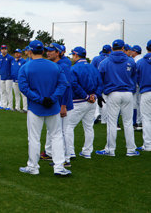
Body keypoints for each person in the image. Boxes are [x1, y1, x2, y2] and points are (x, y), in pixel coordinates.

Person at [18, 40, 71, 176]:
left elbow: (24, 88)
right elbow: (63, 84)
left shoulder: (25, 67)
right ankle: (59, 167)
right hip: (52, 107)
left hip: (35, 107)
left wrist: (40, 99)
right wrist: (52, 98)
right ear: (42, 51)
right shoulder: (55, 66)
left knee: (34, 138)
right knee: (56, 136)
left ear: (30, 51)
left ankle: (33, 167)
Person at [96, 39, 139, 157]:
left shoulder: (105, 62)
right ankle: (131, 149)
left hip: (113, 93)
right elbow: (134, 77)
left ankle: (110, 149)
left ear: (112, 48)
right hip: (128, 93)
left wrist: (99, 94)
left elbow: (100, 79)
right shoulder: (130, 61)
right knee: (128, 122)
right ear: (123, 48)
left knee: (112, 122)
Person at [65, 47, 103, 159]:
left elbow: (74, 85)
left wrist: (86, 96)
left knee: (69, 127)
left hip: (79, 101)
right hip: (92, 101)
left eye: (73, 55)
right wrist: (94, 95)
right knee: (88, 127)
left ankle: (70, 152)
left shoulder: (74, 68)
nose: (72, 57)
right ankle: (87, 152)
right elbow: (100, 84)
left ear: (76, 55)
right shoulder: (93, 68)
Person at [41, 43, 74, 166]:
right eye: (47, 51)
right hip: (57, 103)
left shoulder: (63, 66)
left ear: (59, 53)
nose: (48, 53)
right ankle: (55, 155)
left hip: (63, 104)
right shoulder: (55, 65)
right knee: (56, 131)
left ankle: (66, 159)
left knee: (63, 132)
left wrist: (63, 105)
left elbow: (66, 86)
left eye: (51, 51)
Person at [137, 40, 151, 151]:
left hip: (146, 92)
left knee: (146, 119)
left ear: (147, 48)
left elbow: (136, 78)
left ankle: (148, 145)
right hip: (145, 91)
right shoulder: (140, 62)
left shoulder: (141, 62)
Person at [92, 44, 112, 124]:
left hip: (97, 81)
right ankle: (104, 119)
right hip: (107, 82)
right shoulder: (110, 59)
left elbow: (92, 70)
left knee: (96, 98)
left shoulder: (96, 58)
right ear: (109, 51)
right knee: (105, 101)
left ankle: (97, 114)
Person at [0, 45, 15, 110]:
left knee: (8, 91)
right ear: (0, 50)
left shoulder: (10, 58)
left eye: (5, 49)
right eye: (2, 49)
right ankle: (4, 105)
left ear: (7, 50)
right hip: (2, 77)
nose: (3, 50)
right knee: (3, 91)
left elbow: (13, 67)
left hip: (9, 77)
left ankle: (10, 106)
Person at [131, 45, 143, 130]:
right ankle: (139, 121)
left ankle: (137, 122)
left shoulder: (136, 61)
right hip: (143, 85)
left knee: (136, 104)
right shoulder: (141, 59)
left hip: (137, 85)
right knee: (140, 104)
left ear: (135, 51)